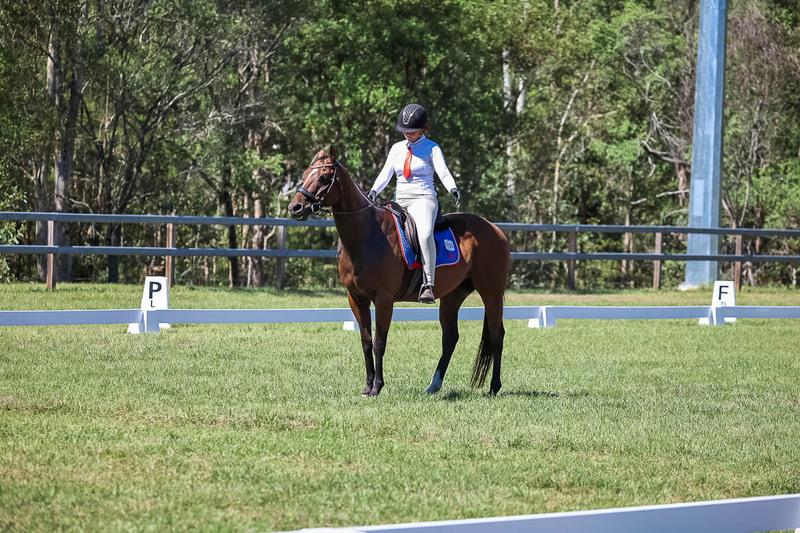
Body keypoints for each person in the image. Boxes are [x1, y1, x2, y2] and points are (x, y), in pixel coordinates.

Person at [368, 103, 461, 304]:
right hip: (399, 199)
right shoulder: (396, 149)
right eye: (404, 131)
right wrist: (374, 191)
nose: (407, 135)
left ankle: (428, 283)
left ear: (422, 129)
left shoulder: (432, 148)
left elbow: (443, 172)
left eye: (411, 131)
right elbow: (386, 173)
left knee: (425, 233)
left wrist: (452, 188)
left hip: (423, 198)